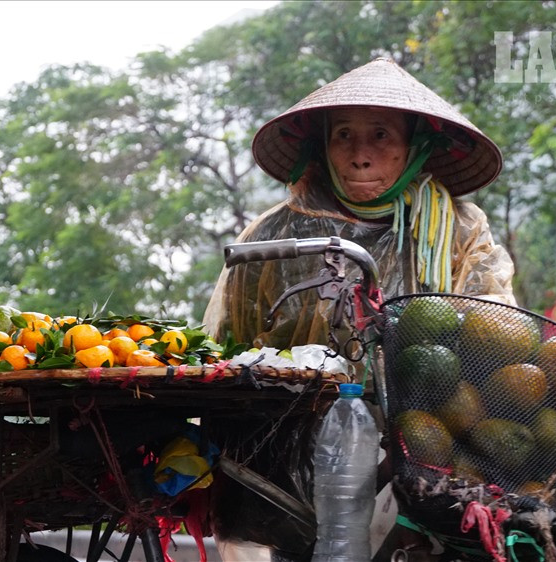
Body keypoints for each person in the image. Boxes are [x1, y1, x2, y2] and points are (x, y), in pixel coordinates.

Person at [203, 58, 524, 561]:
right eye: (344, 136)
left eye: (380, 136)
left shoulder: (459, 229)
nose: (360, 156)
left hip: (422, 438)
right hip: (290, 442)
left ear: (415, 146)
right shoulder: (272, 234)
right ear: (323, 146)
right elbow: (231, 344)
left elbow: (495, 328)